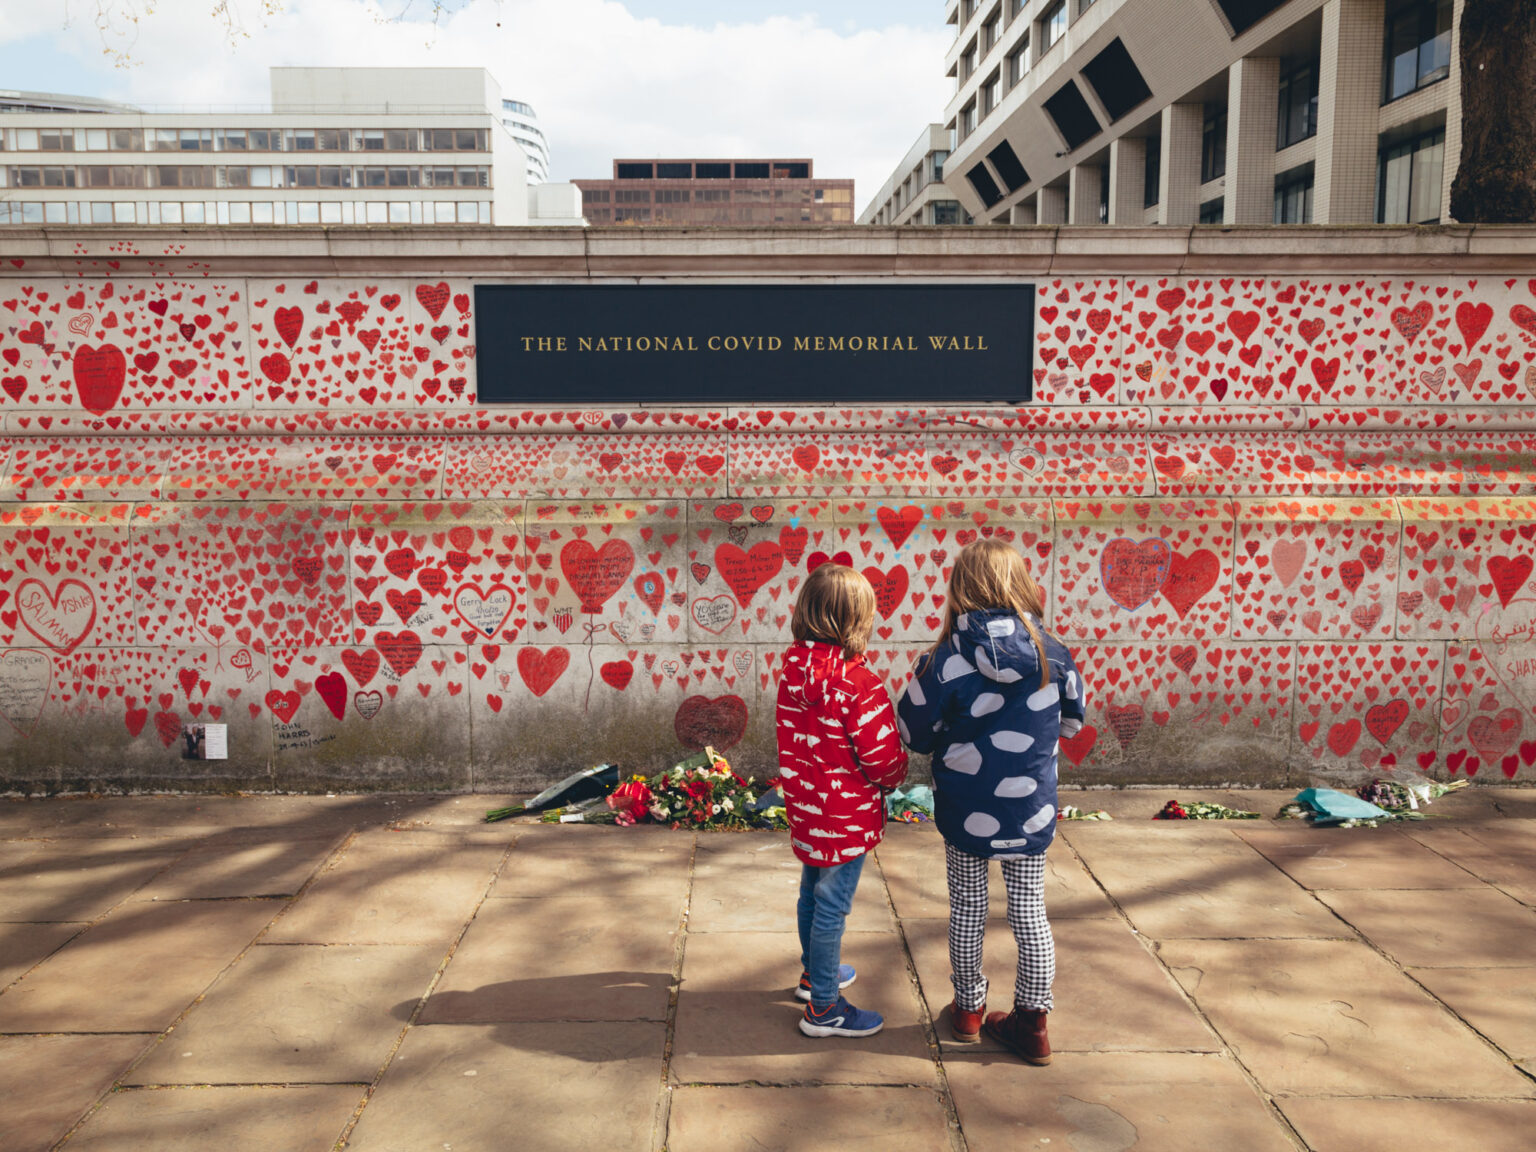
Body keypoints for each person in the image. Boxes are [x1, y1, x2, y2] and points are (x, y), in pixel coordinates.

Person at [896, 538, 1085, 1065]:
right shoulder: (1055, 653)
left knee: (968, 908)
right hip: (1030, 806)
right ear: (1020, 583)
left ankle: (968, 1010)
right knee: (1030, 912)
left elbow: (913, 731)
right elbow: (1072, 721)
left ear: (961, 588)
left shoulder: (945, 659)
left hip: (965, 807)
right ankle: (1034, 1022)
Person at [777, 562, 909, 1038]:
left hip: (807, 809)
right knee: (832, 905)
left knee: (811, 892)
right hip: (846, 816)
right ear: (858, 622)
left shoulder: (792, 673)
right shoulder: (859, 684)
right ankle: (825, 1009)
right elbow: (883, 758)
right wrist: (896, 778)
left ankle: (815, 977)